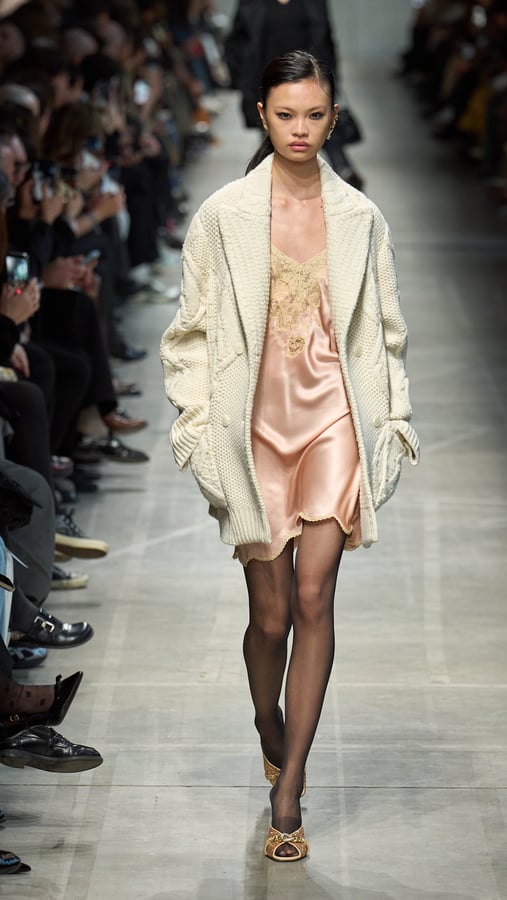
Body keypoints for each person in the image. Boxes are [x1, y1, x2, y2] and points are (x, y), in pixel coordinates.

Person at [161, 50, 419, 862]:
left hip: (334, 419)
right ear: (262, 115)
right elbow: (188, 335)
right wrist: (197, 428)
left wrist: (391, 421)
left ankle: (291, 786)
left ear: (333, 119)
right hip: (254, 429)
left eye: (313, 115)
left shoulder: (361, 218)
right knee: (269, 617)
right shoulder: (224, 215)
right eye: (285, 115)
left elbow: (385, 332)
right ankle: (267, 723)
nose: (299, 129)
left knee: (315, 596)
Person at [225, 0, 364, 188]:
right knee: (273, 135)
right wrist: (240, 75)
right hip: (266, 81)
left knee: (313, 127)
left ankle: (336, 172)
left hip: (308, 80)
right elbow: (237, 40)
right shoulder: (252, 2)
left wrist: (330, 79)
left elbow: (326, 40)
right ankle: (273, 187)